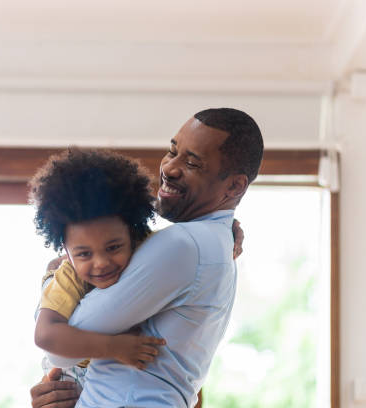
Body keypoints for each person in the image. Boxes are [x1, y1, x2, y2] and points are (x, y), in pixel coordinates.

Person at [30, 107, 264, 408]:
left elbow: (62, 350)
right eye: (172, 151)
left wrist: (53, 277)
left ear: (233, 186)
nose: (169, 167)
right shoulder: (207, 243)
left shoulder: (184, 244)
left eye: (192, 162)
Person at [29, 148, 168, 389]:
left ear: (134, 235)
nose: (101, 262)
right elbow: (45, 335)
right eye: (83, 254)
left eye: (113, 247)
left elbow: (188, 242)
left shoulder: (149, 249)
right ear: (66, 251)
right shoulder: (67, 276)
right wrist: (114, 348)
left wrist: (228, 231)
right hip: (75, 378)